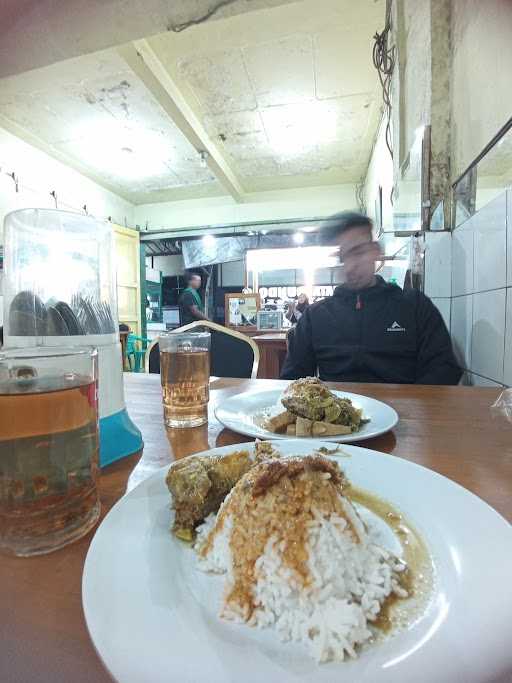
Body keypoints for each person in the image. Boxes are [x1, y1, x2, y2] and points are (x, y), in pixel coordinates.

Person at [281, 211, 461, 385]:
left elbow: (444, 370)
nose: (350, 266)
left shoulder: (414, 306)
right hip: (335, 411)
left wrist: (411, 407)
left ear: (375, 251)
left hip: (404, 411)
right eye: (343, 257)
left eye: (358, 252)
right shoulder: (315, 316)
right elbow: (291, 379)